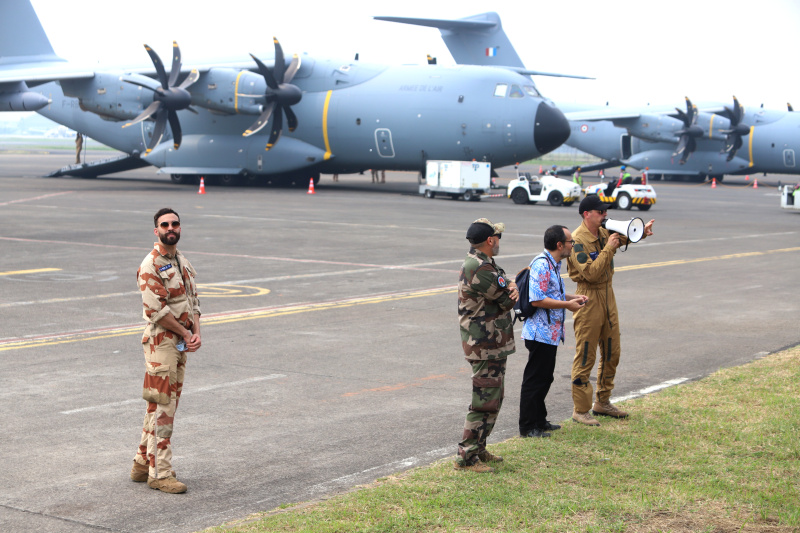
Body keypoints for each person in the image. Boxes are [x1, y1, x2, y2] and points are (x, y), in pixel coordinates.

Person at [130, 208, 201, 493]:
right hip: (161, 343)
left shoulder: (181, 260)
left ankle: (140, 463)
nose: (170, 228)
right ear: (156, 230)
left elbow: (193, 300)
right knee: (164, 407)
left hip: (180, 342)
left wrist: (196, 333)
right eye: (164, 224)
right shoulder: (150, 265)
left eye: (175, 223)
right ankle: (160, 473)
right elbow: (155, 311)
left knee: (157, 404)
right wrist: (185, 332)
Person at [567, 196, 654, 426]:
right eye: (600, 211)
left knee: (612, 351)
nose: (605, 215)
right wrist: (608, 249)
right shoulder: (577, 240)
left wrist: (642, 232)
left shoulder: (605, 232)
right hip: (588, 297)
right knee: (586, 354)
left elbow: (627, 237)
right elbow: (591, 274)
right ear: (587, 214)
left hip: (608, 296)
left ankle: (603, 402)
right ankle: (581, 409)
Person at [456, 218, 519, 473]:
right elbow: (506, 299)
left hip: (491, 342)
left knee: (494, 396)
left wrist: (511, 285)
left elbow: (506, 283)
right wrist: (511, 289)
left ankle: (479, 448)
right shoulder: (480, 268)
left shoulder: (484, 264)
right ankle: (466, 457)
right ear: (490, 240)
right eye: (498, 237)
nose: (499, 241)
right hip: (483, 343)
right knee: (483, 399)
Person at [519, 225, 588, 438]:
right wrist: (568, 306)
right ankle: (529, 426)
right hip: (540, 333)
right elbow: (537, 299)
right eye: (570, 242)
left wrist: (572, 298)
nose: (572, 246)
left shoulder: (553, 264)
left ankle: (540, 420)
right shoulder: (542, 265)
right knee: (535, 380)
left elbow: (552, 292)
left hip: (550, 333)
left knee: (545, 378)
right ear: (560, 245)